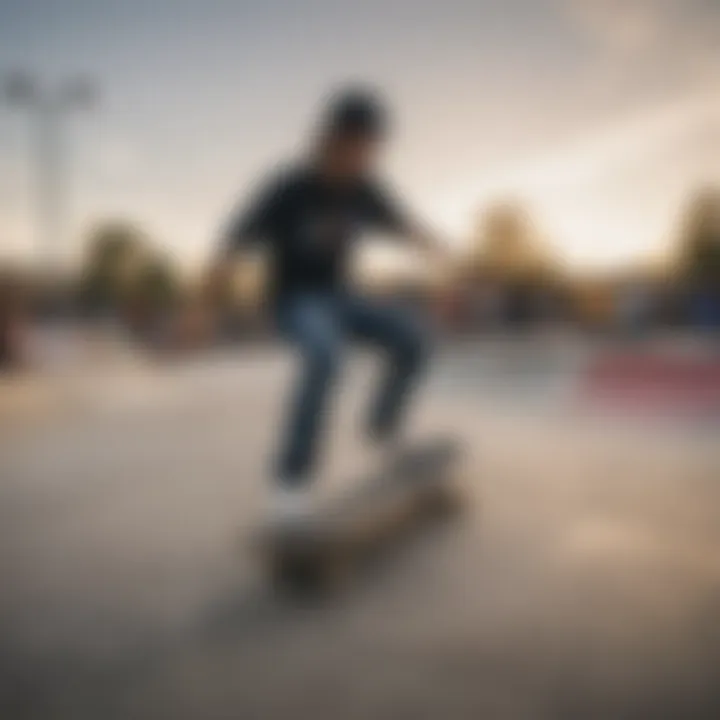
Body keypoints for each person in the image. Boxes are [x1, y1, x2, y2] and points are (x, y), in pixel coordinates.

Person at [213, 87, 448, 525]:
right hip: (295, 302)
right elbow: (232, 244)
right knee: (325, 357)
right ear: (325, 141)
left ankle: (382, 429)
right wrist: (201, 308)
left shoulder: (366, 190)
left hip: (344, 298)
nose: (356, 162)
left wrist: (439, 248)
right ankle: (290, 484)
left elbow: (406, 225)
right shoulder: (287, 187)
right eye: (349, 149)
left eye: (367, 152)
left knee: (415, 340)